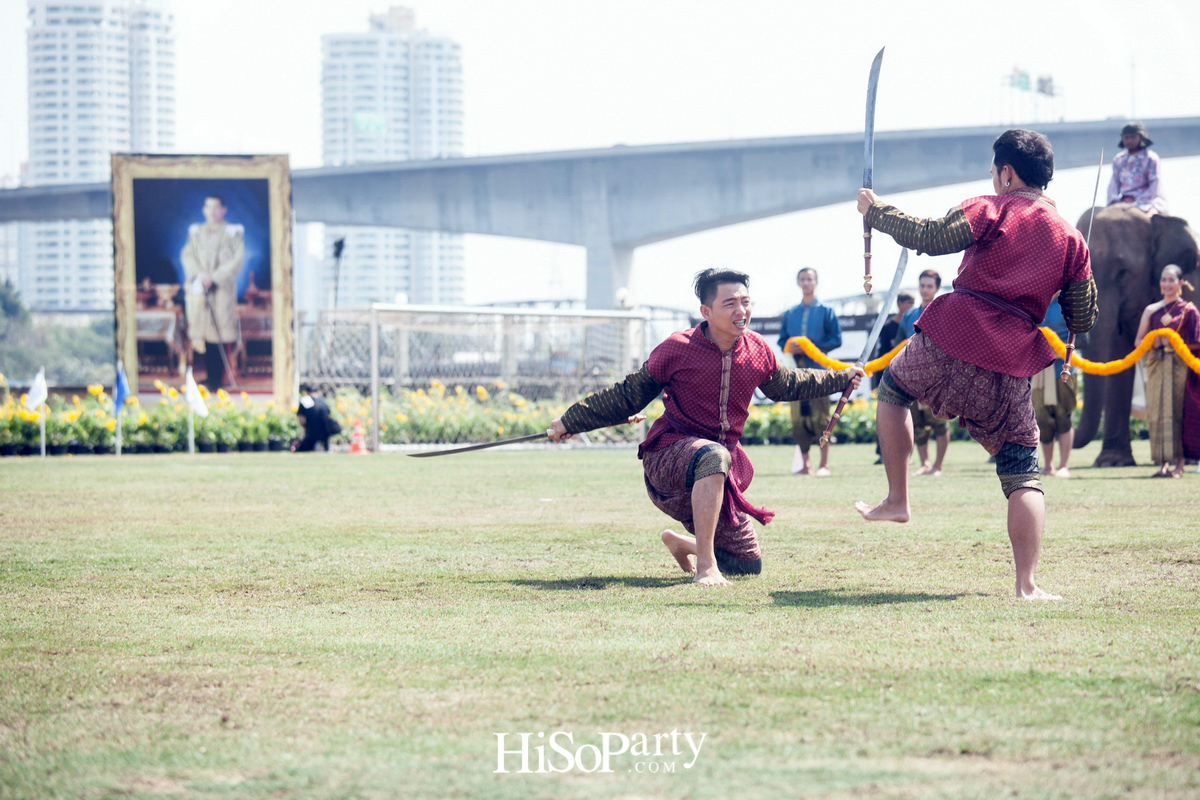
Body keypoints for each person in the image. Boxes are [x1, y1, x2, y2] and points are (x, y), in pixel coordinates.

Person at [853, 129, 1098, 600]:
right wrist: (1077, 273)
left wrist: (876, 211)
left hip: (953, 333)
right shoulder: (1071, 239)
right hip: (1010, 358)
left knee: (893, 390)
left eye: (993, 170)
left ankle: (898, 498)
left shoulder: (991, 208)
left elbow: (929, 236)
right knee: (1022, 469)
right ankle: (1026, 585)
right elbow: (1083, 318)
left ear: (1006, 173)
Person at [548, 269, 864, 587]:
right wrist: (570, 421)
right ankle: (706, 567)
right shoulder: (677, 348)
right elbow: (628, 395)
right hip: (669, 457)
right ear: (706, 312)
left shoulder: (757, 349)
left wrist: (841, 377)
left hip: (718, 472)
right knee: (713, 455)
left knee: (746, 564)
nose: (741, 310)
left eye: (745, 302)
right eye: (730, 303)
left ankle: (685, 545)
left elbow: (787, 384)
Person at [1135, 264, 1200, 478]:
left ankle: (1179, 465)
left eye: (1171, 280)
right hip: (1157, 365)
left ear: (1181, 283)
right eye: (1164, 279)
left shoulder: (1189, 310)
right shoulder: (1151, 310)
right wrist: (1154, 341)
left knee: (1179, 411)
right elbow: (1138, 341)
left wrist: (1174, 341)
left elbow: (1197, 342)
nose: (1167, 284)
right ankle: (1162, 464)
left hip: (1181, 367)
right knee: (1158, 412)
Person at [777, 267, 842, 476]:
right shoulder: (790, 313)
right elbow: (782, 340)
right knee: (798, 419)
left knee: (821, 417)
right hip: (795, 373)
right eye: (803, 279)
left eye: (809, 279)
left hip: (819, 372)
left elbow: (836, 339)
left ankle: (823, 464)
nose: (806, 283)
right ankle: (805, 465)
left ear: (816, 282)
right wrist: (791, 346)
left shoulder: (826, 311)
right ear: (798, 282)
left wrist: (811, 346)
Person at [182, 195, 244, 392]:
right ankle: (211, 378)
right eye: (208, 207)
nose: (212, 211)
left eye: (216, 207)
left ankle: (219, 379)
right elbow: (188, 256)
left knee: (219, 334)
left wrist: (214, 278)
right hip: (201, 290)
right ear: (204, 210)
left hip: (221, 290)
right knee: (206, 336)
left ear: (223, 210)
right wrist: (200, 276)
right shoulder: (196, 233)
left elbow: (237, 260)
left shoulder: (232, 233)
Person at [899, 270, 950, 476]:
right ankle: (924, 464)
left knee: (939, 422)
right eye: (922, 285)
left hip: (937, 376)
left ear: (937, 288)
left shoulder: (945, 311)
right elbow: (899, 344)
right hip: (912, 376)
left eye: (929, 286)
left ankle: (938, 466)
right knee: (917, 422)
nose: (925, 290)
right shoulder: (909, 316)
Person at [1032, 295, 1076, 478]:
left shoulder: (1069, 303)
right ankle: (1048, 466)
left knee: (1063, 416)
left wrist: (1060, 352)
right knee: (1042, 418)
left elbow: (1081, 338)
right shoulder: (1034, 302)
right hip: (1038, 370)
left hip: (1063, 370)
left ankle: (1064, 466)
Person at [1107, 121, 1168, 216]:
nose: (1129, 141)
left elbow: (1154, 184)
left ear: (1141, 138)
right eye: (1126, 138)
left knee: (1151, 217)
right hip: (1124, 201)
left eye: (1133, 137)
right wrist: (1114, 201)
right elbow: (1114, 183)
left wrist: (1138, 201)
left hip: (1148, 201)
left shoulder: (1151, 158)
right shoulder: (1118, 159)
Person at [294, 385, 338, 452]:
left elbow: (301, 420)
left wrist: (305, 428)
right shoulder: (323, 401)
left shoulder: (305, 401)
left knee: (303, 450)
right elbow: (328, 416)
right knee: (325, 449)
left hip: (311, 433)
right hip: (325, 432)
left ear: (307, 392)